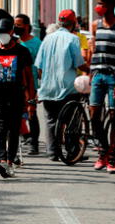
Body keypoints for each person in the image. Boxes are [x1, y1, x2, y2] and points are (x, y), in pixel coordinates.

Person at [0, 19, 35, 178]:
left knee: (13, 130)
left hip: (16, 96)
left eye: (5, 32)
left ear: (12, 32)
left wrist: (30, 100)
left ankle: (10, 161)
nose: (2, 36)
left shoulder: (22, 51)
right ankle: (2, 159)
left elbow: (28, 77)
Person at [35, 10, 88, 161]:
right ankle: (72, 151)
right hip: (68, 88)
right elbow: (79, 63)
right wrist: (90, 70)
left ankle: (52, 152)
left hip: (48, 88)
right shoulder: (73, 39)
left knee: (51, 121)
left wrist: (44, 80)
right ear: (73, 24)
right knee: (72, 121)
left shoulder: (47, 39)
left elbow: (39, 66)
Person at [89, 0, 115, 174]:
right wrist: (90, 71)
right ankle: (103, 149)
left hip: (114, 77)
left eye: (102, 4)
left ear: (111, 5)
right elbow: (94, 50)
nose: (98, 7)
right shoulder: (96, 25)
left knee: (114, 117)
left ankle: (111, 157)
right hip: (97, 76)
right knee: (94, 115)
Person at [15, 14, 42, 155]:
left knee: (32, 113)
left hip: (31, 84)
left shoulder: (36, 43)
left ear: (26, 26)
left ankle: (34, 144)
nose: (16, 27)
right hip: (17, 83)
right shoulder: (16, 42)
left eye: (18, 24)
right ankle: (23, 137)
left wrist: (39, 87)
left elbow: (41, 67)